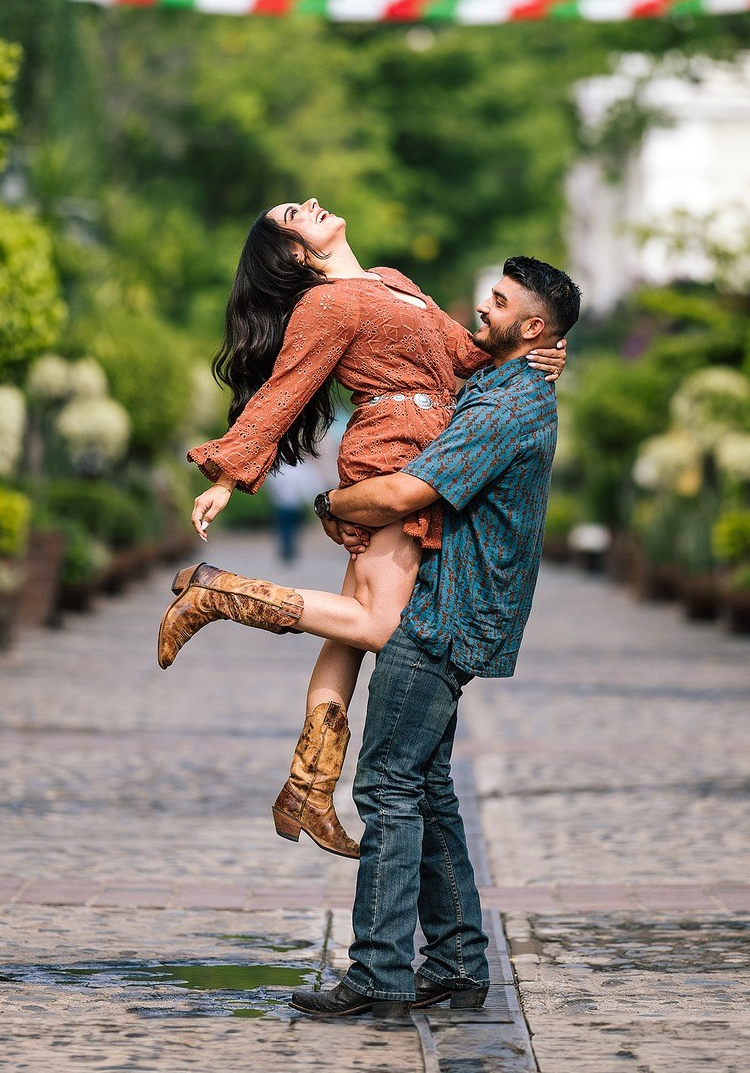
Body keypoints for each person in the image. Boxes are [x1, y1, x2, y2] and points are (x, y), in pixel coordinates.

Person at [159, 199, 564, 858]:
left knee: (349, 627)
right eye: (295, 214)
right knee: (379, 625)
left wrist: (539, 347)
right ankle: (215, 593)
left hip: (425, 444)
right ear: (295, 252)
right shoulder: (325, 305)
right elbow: (288, 389)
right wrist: (228, 476)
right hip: (392, 453)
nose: (310, 203)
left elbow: (464, 353)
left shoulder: (390, 280)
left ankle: (309, 790)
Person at [288, 256, 578, 1018]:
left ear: (533, 327)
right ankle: (454, 963)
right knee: (427, 786)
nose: (485, 307)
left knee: (386, 785)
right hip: (452, 607)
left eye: (502, 302)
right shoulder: (507, 381)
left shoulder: (506, 409)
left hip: (447, 615)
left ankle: (378, 974)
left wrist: (333, 501)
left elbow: (409, 491)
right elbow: (443, 345)